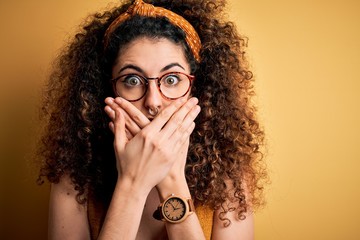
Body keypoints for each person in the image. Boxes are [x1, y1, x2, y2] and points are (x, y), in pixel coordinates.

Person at [36, 0, 267, 239]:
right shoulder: (74, 174)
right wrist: (132, 183)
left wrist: (171, 180)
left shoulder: (229, 177)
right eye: (132, 80)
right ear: (107, 89)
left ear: (196, 87)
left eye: (171, 79)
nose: (153, 102)